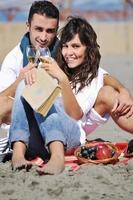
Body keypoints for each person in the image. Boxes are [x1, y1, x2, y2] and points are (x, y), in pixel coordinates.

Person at [9, 16, 133, 175]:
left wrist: (62, 79)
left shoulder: (93, 77)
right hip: (41, 139)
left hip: (70, 138)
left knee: (50, 102)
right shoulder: (54, 66)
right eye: (65, 46)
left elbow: (75, 115)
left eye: (76, 46)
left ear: (87, 48)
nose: (69, 53)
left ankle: (58, 157)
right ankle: (18, 154)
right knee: (25, 85)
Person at [0, 0, 60, 126]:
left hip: (58, 118)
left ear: (57, 30)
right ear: (28, 25)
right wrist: (19, 82)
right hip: (27, 122)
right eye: (38, 29)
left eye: (50, 31)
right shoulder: (14, 57)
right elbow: (1, 100)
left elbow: (101, 76)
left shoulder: (66, 53)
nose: (43, 38)